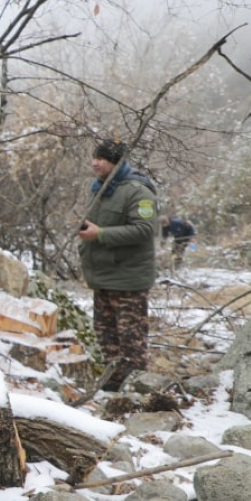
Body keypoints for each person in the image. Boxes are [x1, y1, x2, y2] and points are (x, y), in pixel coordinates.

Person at [76, 138, 159, 392]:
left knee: (131, 342)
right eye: (94, 157)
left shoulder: (138, 191)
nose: (95, 162)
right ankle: (112, 389)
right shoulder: (98, 189)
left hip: (128, 280)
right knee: (106, 338)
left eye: (102, 158)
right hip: (102, 278)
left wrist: (100, 234)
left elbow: (145, 229)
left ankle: (136, 392)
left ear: (117, 162)